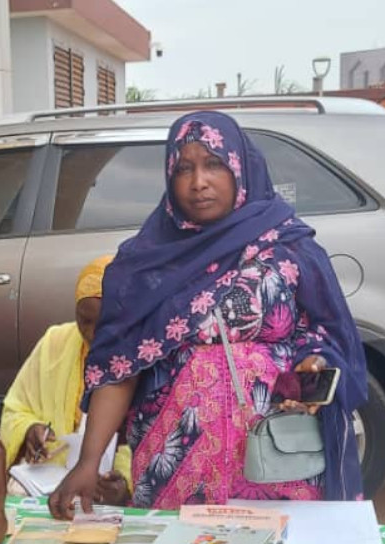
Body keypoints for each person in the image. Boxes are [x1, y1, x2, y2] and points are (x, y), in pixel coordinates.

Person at [49, 111, 366, 519]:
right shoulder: (144, 265)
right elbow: (119, 368)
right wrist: (88, 461)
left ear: (240, 168)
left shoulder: (288, 247)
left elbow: (328, 334)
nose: (198, 182)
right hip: (175, 461)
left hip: (276, 455)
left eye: (214, 163)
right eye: (184, 168)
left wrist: (314, 363)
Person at [0, 255, 131, 505]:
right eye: (85, 320)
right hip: (49, 480)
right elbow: (15, 409)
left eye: (105, 323)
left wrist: (124, 483)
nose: (92, 333)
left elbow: (157, 438)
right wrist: (30, 430)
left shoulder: (145, 353)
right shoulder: (55, 342)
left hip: (110, 489)